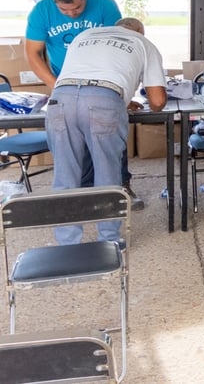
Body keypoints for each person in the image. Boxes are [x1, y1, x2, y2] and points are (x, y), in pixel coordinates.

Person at [25, 0, 145, 208]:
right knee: (73, 153)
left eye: (77, 7)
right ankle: (82, 197)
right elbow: (33, 53)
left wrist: (119, 95)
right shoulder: (42, 11)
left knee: (111, 141)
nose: (72, 13)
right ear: (54, 1)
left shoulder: (104, 4)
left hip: (104, 85)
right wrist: (57, 86)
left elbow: (121, 47)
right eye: (64, 10)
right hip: (65, 83)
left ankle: (120, 188)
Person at [47, 18, 166, 245]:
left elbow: (83, 77)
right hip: (104, 102)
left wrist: (121, 97)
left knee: (65, 176)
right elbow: (158, 101)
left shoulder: (85, 36)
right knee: (107, 175)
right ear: (140, 31)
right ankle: (108, 241)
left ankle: (67, 245)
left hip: (61, 99)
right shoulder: (143, 43)